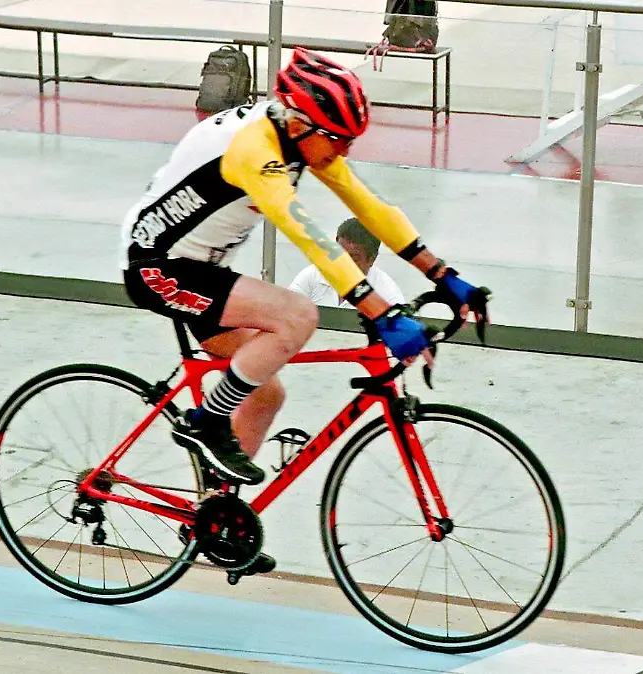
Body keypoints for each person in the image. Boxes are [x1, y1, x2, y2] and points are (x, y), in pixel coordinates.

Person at [119, 48, 489, 573]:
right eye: (335, 138)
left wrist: (445, 276)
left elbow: (371, 208)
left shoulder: (299, 137)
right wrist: (382, 313)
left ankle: (217, 520)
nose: (342, 150)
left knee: (264, 389)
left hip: (199, 267)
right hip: (159, 267)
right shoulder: (253, 149)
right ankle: (205, 421)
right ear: (298, 119)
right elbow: (312, 238)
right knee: (297, 317)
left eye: (349, 140)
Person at [289, 217, 406, 308]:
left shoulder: (388, 294)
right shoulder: (312, 275)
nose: (344, 264)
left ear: (372, 259)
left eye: (354, 258)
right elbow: (286, 313)